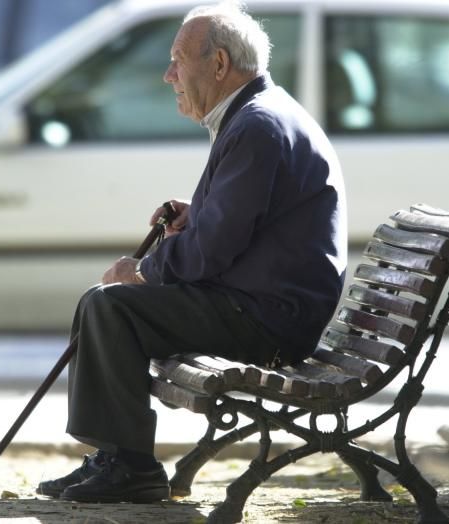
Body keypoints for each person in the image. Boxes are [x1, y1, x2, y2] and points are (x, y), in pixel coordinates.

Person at [37, 1, 347, 503]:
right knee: (104, 303)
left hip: (268, 318)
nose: (168, 76)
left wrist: (142, 270)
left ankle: (129, 466)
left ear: (219, 64)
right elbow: (240, 220)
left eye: (178, 61)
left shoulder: (257, 126)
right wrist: (198, 209)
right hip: (266, 304)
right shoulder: (258, 114)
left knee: (111, 305)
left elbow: (210, 251)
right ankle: (116, 457)